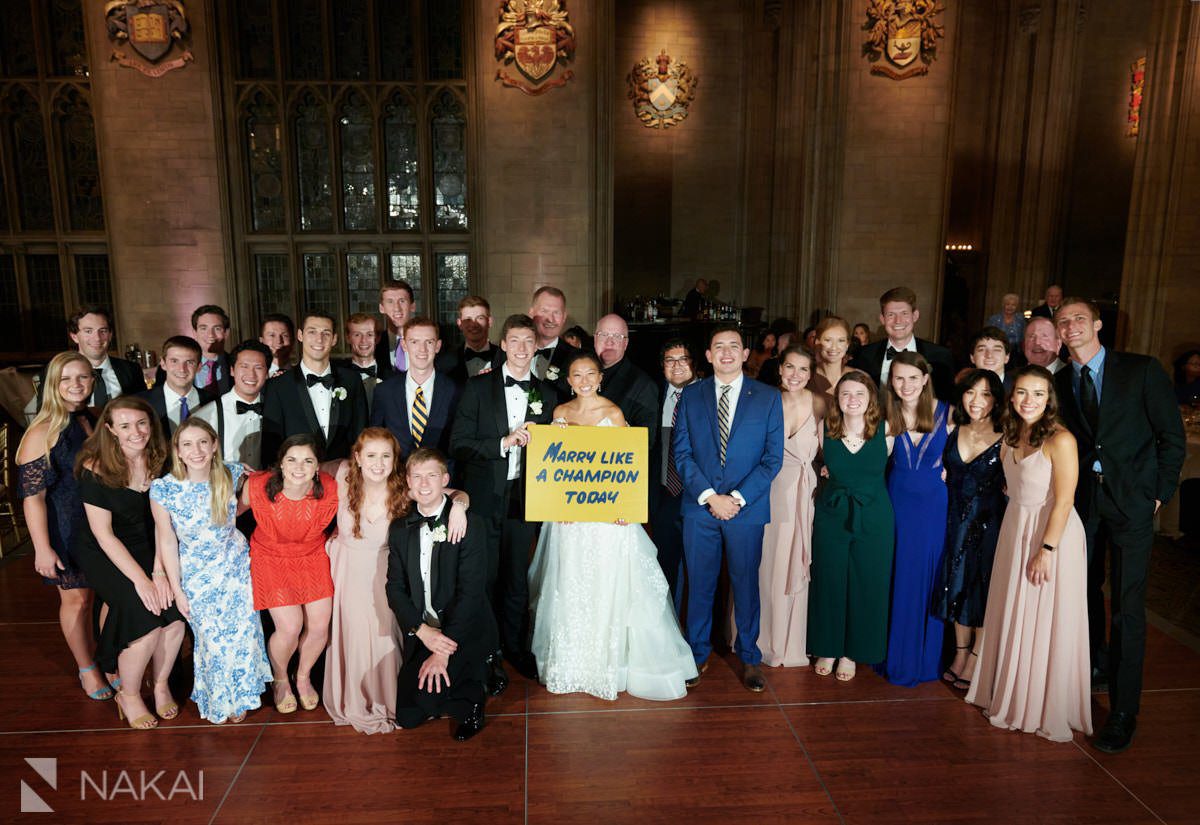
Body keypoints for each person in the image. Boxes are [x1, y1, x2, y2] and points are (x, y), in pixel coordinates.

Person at [1053, 298, 1185, 752]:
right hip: (1081, 506)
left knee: (1128, 606)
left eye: (1079, 319)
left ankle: (1124, 711)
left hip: (1131, 504)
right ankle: (1092, 669)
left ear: (1098, 324)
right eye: (1063, 321)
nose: (1071, 326)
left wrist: (1157, 494)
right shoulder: (1059, 380)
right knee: (1082, 593)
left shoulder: (1141, 370)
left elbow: (1172, 437)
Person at [529, 352, 697, 700]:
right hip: (572, 520)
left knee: (609, 583)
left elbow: (628, 467)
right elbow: (554, 469)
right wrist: (556, 505)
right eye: (578, 374)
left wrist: (626, 508)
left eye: (592, 373)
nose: (586, 379)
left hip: (607, 519)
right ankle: (574, 662)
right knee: (573, 584)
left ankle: (613, 662)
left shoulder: (614, 413)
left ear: (600, 378)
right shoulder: (560, 415)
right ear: (570, 381)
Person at [967, 365, 1092, 743]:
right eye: (1021, 392)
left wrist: (1047, 549)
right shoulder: (1011, 434)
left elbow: (1066, 499)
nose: (1029, 400)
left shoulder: (1061, 439)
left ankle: (1037, 704)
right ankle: (1010, 691)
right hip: (1015, 528)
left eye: (1038, 393)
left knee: (1041, 617)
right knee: (1013, 610)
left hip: (1051, 534)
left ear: (1049, 398)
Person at [322, 429, 468, 734]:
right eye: (371, 456)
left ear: (395, 459)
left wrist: (459, 509)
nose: (378, 463)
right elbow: (306, 467)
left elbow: (454, 493)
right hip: (348, 570)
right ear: (358, 458)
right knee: (354, 636)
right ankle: (356, 697)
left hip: (387, 573)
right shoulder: (342, 476)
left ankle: (391, 699)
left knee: (386, 636)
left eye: (386, 456)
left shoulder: (404, 488)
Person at [674, 326, 784, 692]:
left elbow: (772, 459)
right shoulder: (690, 397)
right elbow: (682, 454)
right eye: (718, 346)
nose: (725, 352)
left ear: (746, 353)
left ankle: (750, 657)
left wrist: (736, 498)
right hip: (700, 507)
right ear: (707, 355)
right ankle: (697, 653)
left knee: (745, 585)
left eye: (733, 346)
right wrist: (709, 496)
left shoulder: (767, 398)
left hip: (746, 510)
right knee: (699, 584)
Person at [450, 314, 557, 686]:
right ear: (503, 344)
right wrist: (502, 443)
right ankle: (488, 653)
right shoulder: (477, 388)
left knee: (516, 578)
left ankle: (515, 647)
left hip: (526, 499)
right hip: (483, 499)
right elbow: (458, 443)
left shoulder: (549, 394)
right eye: (515, 341)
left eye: (529, 341)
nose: (522, 349)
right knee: (486, 580)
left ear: (536, 346)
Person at [73, 397, 186, 729]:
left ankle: (161, 684)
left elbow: (164, 525)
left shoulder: (162, 461)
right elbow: (104, 535)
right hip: (105, 550)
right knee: (145, 618)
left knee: (176, 616)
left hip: (151, 545)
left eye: (141, 423)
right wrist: (142, 580)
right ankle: (130, 694)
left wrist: (160, 570)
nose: (135, 432)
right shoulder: (94, 467)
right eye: (125, 425)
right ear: (110, 430)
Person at [149, 419, 271, 724]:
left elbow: (245, 502)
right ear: (177, 450)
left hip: (236, 567)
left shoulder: (230, 473)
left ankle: (241, 695)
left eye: (203, 442)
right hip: (196, 575)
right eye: (187, 444)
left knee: (243, 635)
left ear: (214, 444)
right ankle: (220, 697)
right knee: (212, 641)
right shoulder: (165, 489)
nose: (197, 451)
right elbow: (166, 540)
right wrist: (177, 589)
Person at [386, 449, 497, 741]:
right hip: (426, 629)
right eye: (417, 477)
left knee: (454, 687)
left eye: (432, 476)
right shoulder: (400, 528)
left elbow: (471, 595)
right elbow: (394, 589)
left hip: (463, 628)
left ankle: (475, 694)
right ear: (408, 482)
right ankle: (445, 687)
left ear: (445, 479)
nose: (424, 484)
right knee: (409, 716)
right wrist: (422, 632)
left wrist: (440, 652)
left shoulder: (469, 524)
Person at [18, 352, 112, 700]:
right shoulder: (42, 431)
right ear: (52, 386)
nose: (76, 385)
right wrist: (42, 548)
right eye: (66, 379)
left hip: (98, 525)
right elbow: (33, 498)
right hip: (65, 528)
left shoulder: (93, 418)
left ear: (92, 381)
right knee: (77, 602)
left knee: (102, 598)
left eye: (83, 377)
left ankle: (106, 659)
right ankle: (87, 669)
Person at [242, 434, 339, 714]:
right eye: (292, 460)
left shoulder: (330, 487)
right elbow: (229, 515)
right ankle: (281, 678)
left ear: (317, 465)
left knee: (320, 625)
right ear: (281, 464)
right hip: (270, 557)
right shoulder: (258, 485)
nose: (299, 467)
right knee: (290, 627)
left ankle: (304, 676)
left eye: (308, 460)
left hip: (312, 556)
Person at [808, 371, 894, 681]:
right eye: (845, 394)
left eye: (859, 393)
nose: (852, 399)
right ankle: (828, 647)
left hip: (874, 518)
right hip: (832, 514)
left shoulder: (887, 431)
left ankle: (852, 652)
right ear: (837, 399)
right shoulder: (824, 429)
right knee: (830, 580)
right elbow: (810, 465)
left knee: (866, 583)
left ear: (871, 397)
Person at [876, 352, 951, 687]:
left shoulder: (950, 414)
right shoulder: (883, 415)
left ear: (925, 378)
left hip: (934, 508)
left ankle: (926, 658)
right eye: (898, 378)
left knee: (929, 576)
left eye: (911, 378)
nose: (905, 385)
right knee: (899, 575)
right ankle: (894, 654)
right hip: (896, 504)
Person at [932, 369, 1006, 691]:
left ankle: (977, 657)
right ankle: (960, 653)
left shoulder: (1008, 434)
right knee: (955, 587)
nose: (977, 400)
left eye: (987, 394)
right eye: (971, 392)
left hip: (990, 526)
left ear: (996, 400)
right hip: (952, 523)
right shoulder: (951, 426)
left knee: (982, 591)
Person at [755, 345, 823, 667]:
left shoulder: (821, 403)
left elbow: (834, 445)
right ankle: (764, 640)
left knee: (796, 560)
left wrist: (826, 468)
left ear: (811, 374)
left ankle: (792, 642)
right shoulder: (765, 401)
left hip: (804, 494)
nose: (796, 375)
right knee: (767, 563)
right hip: (768, 491)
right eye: (790, 368)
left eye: (803, 370)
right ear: (780, 368)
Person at [261, 312, 368, 462]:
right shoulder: (278, 386)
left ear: (334, 339)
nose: (319, 339)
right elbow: (271, 445)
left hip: (343, 476)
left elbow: (361, 435)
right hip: (298, 479)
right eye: (312, 332)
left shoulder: (351, 380)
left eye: (326, 333)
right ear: (300, 335)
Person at [371, 317, 461, 462]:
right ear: (404, 345)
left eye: (429, 342)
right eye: (414, 342)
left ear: (438, 346)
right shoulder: (384, 391)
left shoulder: (456, 391)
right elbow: (375, 440)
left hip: (442, 480)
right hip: (397, 479)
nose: (422, 349)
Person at [594, 314, 659, 510]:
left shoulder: (643, 384)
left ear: (626, 343)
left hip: (615, 486)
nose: (610, 341)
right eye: (604, 334)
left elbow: (644, 442)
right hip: (577, 482)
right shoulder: (580, 374)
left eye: (618, 337)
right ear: (595, 338)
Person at [650, 339, 697, 609]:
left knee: (698, 567)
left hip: (699, 495)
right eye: (670, 360)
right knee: (665, 561)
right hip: (664, 492)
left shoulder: (707, 394)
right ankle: (669, 622)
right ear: (663, 366)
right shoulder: (653, 394)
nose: (677, 366)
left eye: (683, 359)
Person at [851, 286, 957, 401]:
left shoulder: (940, 355)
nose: (898, 321)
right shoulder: (864, 355)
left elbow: (947, 401)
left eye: (904, 313)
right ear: (882, 319)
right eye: (891, 314)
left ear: (915, 316)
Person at [35, 307, 145, 410]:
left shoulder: (131, 370)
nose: (97, 338)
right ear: (74, 336)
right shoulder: (55, 371)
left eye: (103, 331)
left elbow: (143, 410)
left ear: (110, 335)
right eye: (88, 331)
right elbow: (45, 413)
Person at [192, 341, 271, 470]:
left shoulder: (275, 410)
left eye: (258, 367)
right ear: (232, 370)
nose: (251, 374)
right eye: (244, 366)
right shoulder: (205, 416)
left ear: (267, 373)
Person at [141, 335, 215, 439]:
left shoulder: (214, 402)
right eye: (174, 361)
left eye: (189, 362)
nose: (182, 369)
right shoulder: (141, 403)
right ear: (163, 363)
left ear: (199, 367)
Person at [528, 286, 579, 396]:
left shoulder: (577, 358)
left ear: (564, 317)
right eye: (544, 311)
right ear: (531, 313)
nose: (550, 319)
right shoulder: (509, 353)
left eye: (556, 312)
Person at [442, 296, 502, 384]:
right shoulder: (445, 361)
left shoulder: (505, 358)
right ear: (459, 324)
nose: (473, 325)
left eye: (480, 318)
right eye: (468, 319)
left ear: (489, 321)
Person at [334, 313, 389, 409]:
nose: (364, 340)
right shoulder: (335, 376)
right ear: (348, 338)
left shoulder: (392, 378)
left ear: (378, 338)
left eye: (369, 334)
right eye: (357, 334)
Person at [373, 281, 416, 373]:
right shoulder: (374, 344)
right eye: (390, 301)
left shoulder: (429, 342)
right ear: (381, 308)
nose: (397, 308)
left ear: (412, 306)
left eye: (402, 301)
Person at [809, 316, 853, 400]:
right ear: (817, 342)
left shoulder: (860, 378)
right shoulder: (805, 377)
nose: (834, 347)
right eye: (828, 340)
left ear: (847, 345)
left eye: (841, 341)